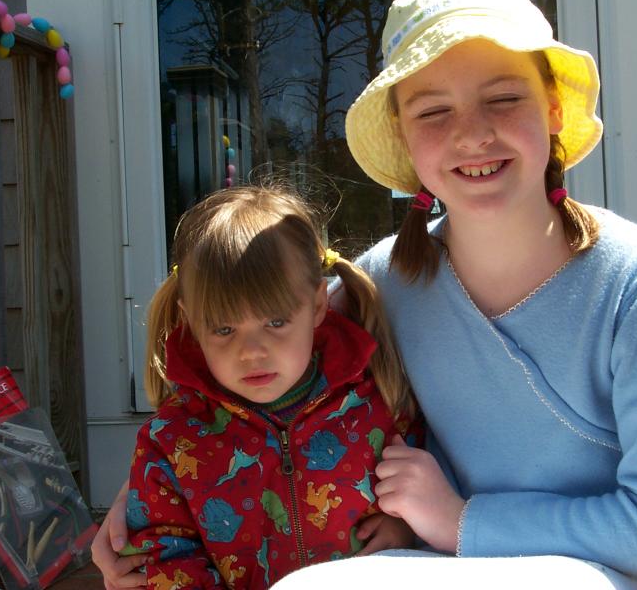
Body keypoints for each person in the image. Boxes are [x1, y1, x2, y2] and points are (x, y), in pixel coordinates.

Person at [95, 0, 637, 587]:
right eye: (433, 111)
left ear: (554, 107)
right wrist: (148, 494)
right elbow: (257, 362)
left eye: (504, 98)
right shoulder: (383, 283)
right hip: (445, 570)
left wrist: (462, 521)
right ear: (402, 133)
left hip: (601, 575)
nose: (472, 135)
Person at [119, 187, 420, 589]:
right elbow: (165, 551)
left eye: (275, 323)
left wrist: (405, 529)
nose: (251, 352)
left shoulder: (379, 402)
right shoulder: (171, 441)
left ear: (317, 305)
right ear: (190, 321)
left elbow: (421, 486)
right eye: (224, 329)